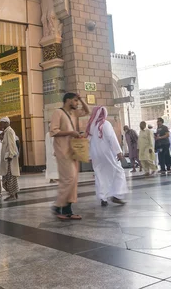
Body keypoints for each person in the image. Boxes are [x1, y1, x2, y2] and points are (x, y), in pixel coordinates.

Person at [49, 92, 90, 220]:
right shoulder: (58, 112)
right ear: (68, 101)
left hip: (72, 150)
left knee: (73, 179)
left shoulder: (74, 113)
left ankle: (68, 210)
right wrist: (71, 132)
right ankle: (57, 206)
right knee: (69, 178)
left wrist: (82, 99)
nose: (77, 103)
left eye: (77, 101)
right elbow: (53, 131)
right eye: (75, 100)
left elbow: (87, 111)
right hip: (62, 150)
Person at [87, 106, 128, 206]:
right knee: (118, 172)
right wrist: (118, 152)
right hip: (107, 154)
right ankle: (117, 195)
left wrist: (89, 156)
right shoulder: (105, 124)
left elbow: (88, 142)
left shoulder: (91, 126)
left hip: (96, 155)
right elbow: (112, 138)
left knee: (100, 175)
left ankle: (103, 198)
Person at [0, 117, 20, 201]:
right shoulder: (7, 131)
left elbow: (11, 144)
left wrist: (10, 156)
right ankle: (14, 194)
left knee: (10, 177)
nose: (0, 125)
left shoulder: (9, 131)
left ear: (6, 122)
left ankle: (12, 195)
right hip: (8, 158)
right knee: (9, 177)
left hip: (9, 159)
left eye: (1, 123)